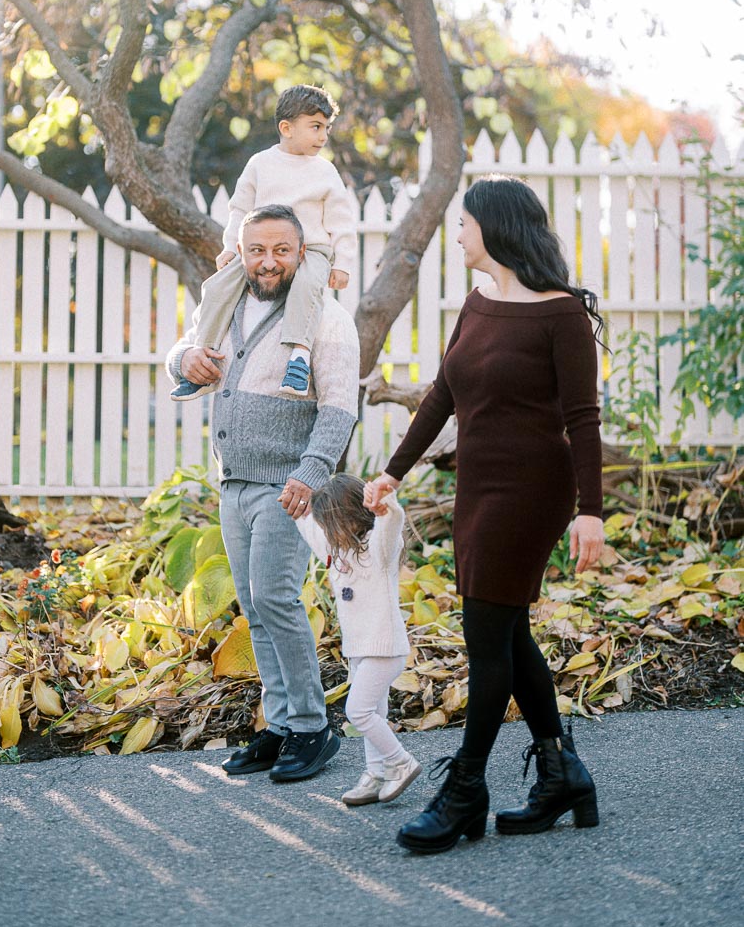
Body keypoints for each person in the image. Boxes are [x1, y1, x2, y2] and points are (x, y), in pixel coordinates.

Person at [364, 173, 605, 855]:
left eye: (465, 224)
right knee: (505, 629)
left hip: (533, 492)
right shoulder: (479, 302)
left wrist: (592, 512)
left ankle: (466, 788)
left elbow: (584, 420)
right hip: (480, 486)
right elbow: (443, 394)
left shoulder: (561, 314)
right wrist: (390, 471)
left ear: (494, 228)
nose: (459, 234)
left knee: (485, 633)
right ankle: (562, 774)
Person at [165, 204, 360, 782]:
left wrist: (312, 472)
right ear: (242, 253)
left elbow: (340, 407)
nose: (268, 261)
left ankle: (312, 728)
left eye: (281, 250)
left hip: (289, 484)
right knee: (254, 605)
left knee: (275, 596)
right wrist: (185, 357)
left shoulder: (327, 317)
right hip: (234, 481)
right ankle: (280, 727)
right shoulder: (226, 304)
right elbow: (179, 351)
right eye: (257, 250)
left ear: (303, 254)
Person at [170, 85, 357, 401]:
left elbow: (342, 222)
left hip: (311, 249)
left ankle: (298, 359)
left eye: (326, 127)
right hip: (260, 249)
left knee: (307, 289)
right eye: (316, 127)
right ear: (286, 128)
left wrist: (343, 264)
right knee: (216, 288)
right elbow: (240, 209)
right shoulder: (260, 164)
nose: (324, 136)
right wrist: (231, 246)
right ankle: (205, 356)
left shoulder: (326, 171)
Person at [295, 473, 421, 806]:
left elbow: (392, 523)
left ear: (349, 518)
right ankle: (374, 774)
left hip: (384, 648)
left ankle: (401, 762)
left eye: (331, 524)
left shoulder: (377, 549)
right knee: (373, 711)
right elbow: (310, 530)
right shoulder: (338, 551)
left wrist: (386, 506)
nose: (327, 533)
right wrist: (299, 511)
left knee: (358, 712)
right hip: (360, 650)